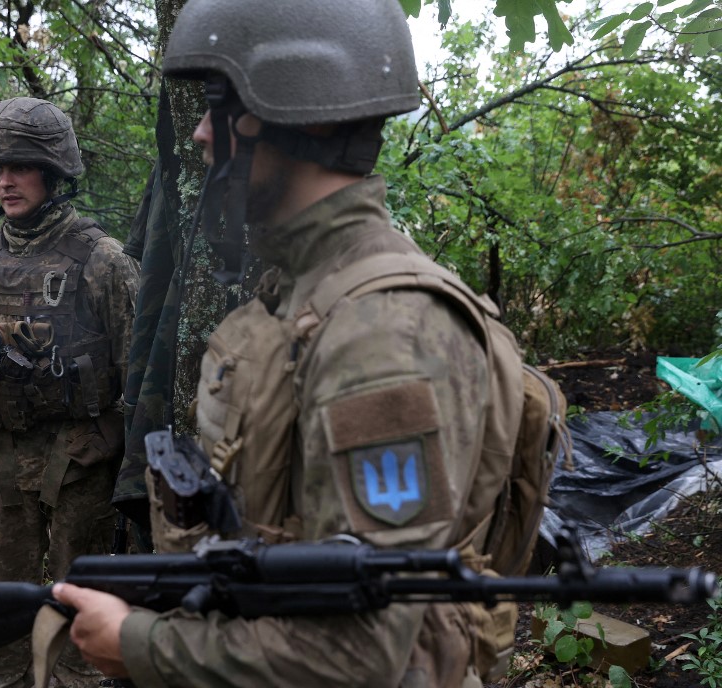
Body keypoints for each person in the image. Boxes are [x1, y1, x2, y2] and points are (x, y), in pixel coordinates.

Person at [51, 1, 525, 687]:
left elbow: (362, 655)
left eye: (222, 109)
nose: (203, 137)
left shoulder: (380, 335)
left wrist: (142, 645)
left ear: (306, 114)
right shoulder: (302, 292)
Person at [0, 97, 140, 688]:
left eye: (19, 167)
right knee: (4, 608)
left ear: (52, 172)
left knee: (81, 609)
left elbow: (135, 372)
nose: (5, 180)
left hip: (80, 463)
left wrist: (134, 472)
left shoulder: (101, 260)